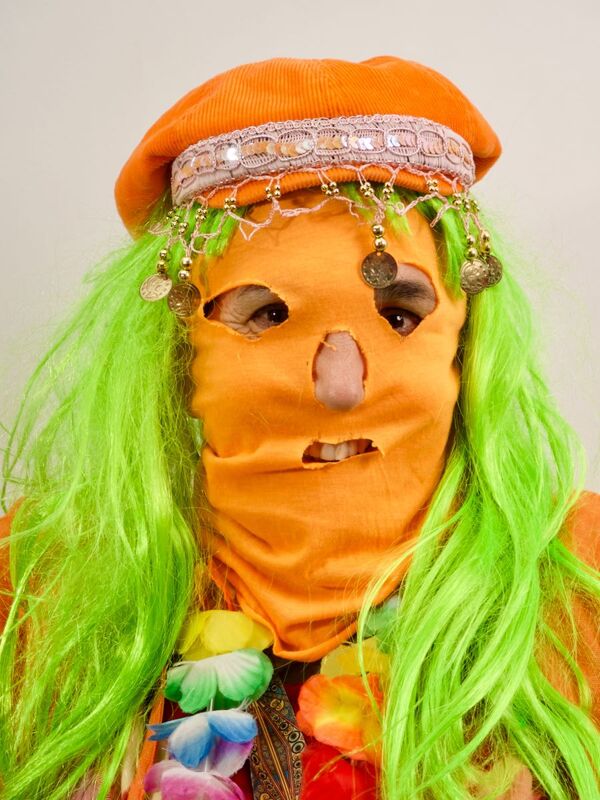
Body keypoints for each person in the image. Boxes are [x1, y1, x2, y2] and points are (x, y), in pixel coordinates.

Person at [0, 56, 598, 800]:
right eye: (268, 315)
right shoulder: (37, 586)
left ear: (466, 347)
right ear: (181, 357)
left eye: (399, 316)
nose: (341, 385)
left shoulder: (580, 579)